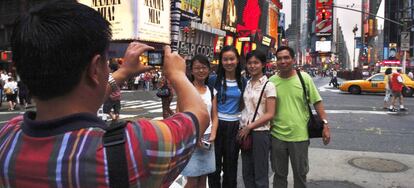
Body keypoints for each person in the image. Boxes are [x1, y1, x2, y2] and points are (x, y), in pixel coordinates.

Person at [0, 1, 209, 187]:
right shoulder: (136, 145)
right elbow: (198, 115)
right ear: (94, 68)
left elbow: (83, 100)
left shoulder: (7, 137)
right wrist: (178, 75)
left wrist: (123, 72)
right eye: (106, 63)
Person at [269, 46, 331, 188]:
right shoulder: (271, 81)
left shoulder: (304, 78)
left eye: (286, 58)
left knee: (300, 176)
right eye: (279, 58)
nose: (283, 61)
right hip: (277, 136)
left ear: (293, 59)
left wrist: (326, 125)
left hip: (300, 137)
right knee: (279, 176)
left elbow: (317, 102)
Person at [208, 45, 246, 188]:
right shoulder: (213, 80)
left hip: (234, 127)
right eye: (225, 59)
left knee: (231, 166)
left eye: (232, 59)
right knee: (214, 167)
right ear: (221, 61)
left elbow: (244, 104)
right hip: (216, 126)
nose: (229, 62)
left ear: (237, 61)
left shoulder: (242, 82)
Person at [179, 55, 219, 188]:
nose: (201, 71)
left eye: (204, 67)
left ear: (208, 70)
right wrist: (193, 136)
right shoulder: (185, 90)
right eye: (197, 68)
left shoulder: (212, 91)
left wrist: (213, 134)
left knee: (203, 178)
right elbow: (179, 116)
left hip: (207, 139)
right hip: (191, 140)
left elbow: (214, 116)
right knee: (192, 181)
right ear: (191, 71)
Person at [238, 50, 276, 188]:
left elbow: (270, 113)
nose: (252, 66)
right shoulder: (247, 84)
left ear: (263, 64)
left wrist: (250, 127)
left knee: (260, 173)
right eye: (249, 63)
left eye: (256, 63)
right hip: (245, 133)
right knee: (247, 172)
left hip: (260, 133)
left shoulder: (269, 85)